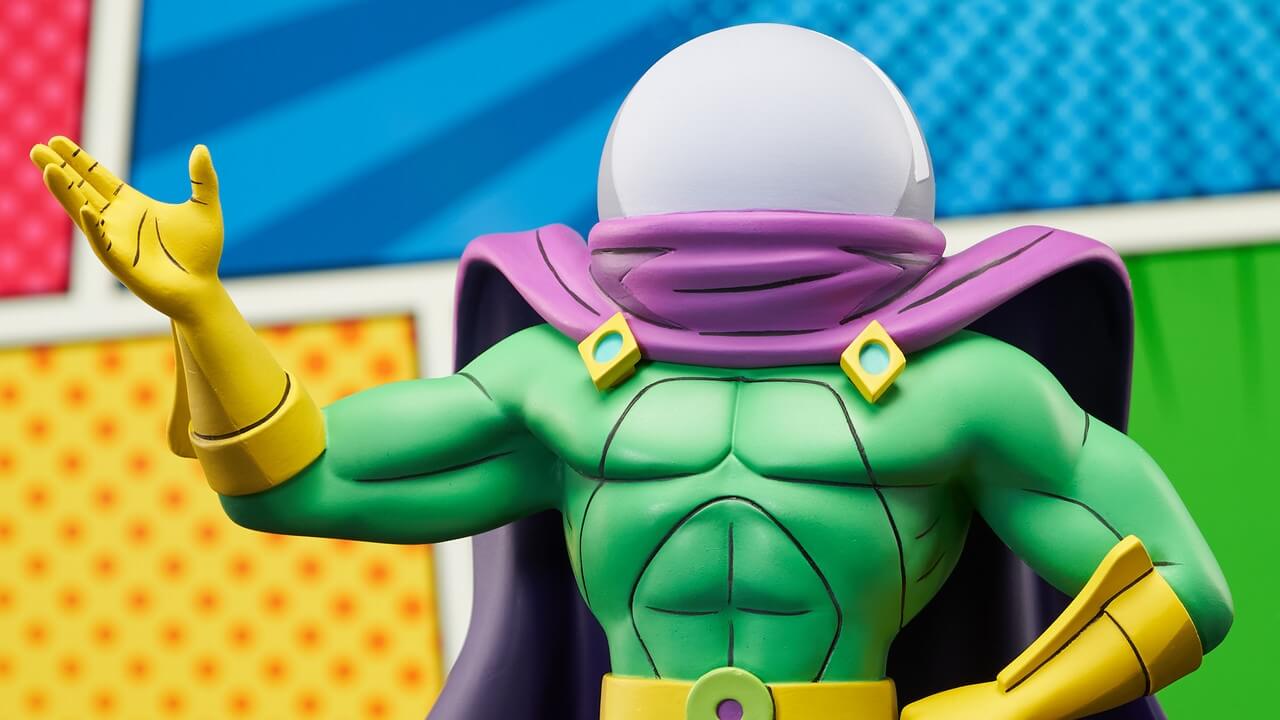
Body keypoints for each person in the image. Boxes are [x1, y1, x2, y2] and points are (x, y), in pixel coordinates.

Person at [33, 23, 1230, 720]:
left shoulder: (962, 392)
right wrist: (200, 312)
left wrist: (1006, 706)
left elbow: (1182, 588)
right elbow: (296, 481)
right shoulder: (562, 385)